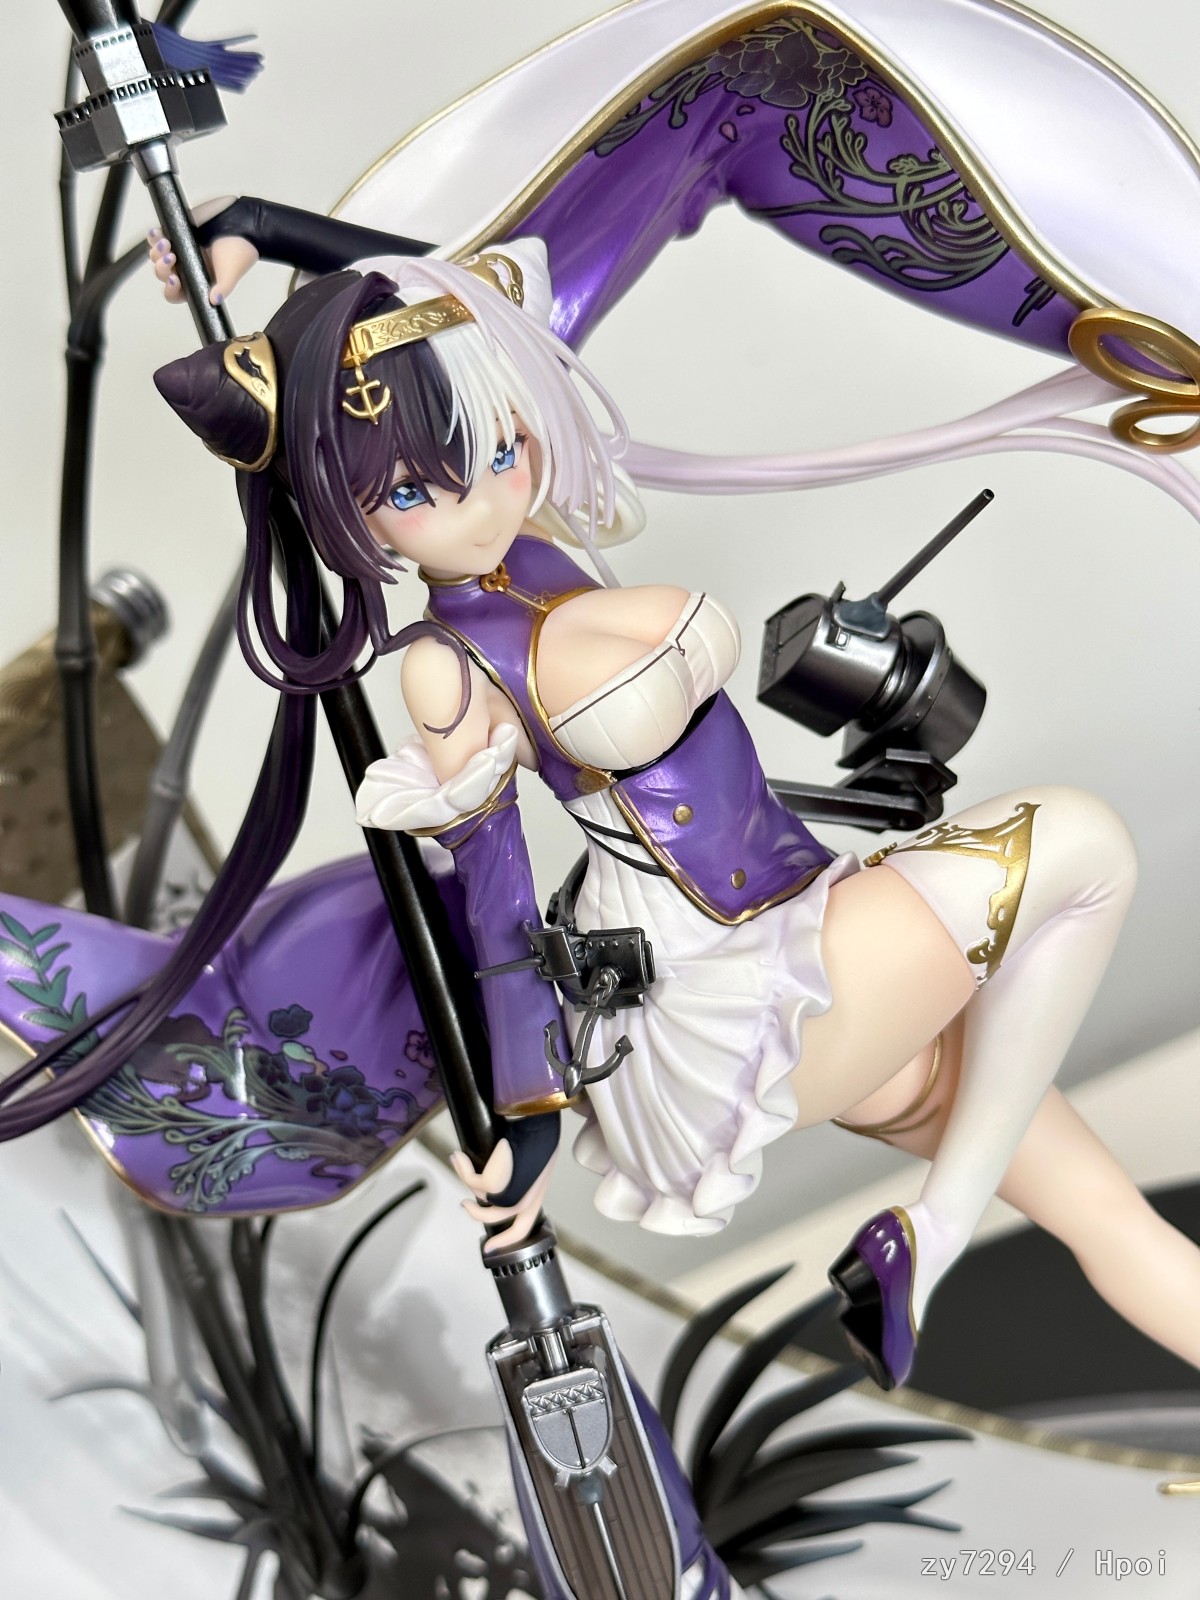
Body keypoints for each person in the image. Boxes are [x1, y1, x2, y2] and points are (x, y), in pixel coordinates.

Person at [151, 237, 1200, 1392]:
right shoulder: (446, 667)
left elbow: (438, 274)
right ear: (345, 515)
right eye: (408, 494)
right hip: (722, 995)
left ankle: (930, 1236)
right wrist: (530, 1112)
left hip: (814, 918)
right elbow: (497, 896)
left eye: (497, 449)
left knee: (1102, 1210)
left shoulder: (544, 549)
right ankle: (935, 1232)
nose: (476, 502)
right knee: (1082, 842)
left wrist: (259, 225)